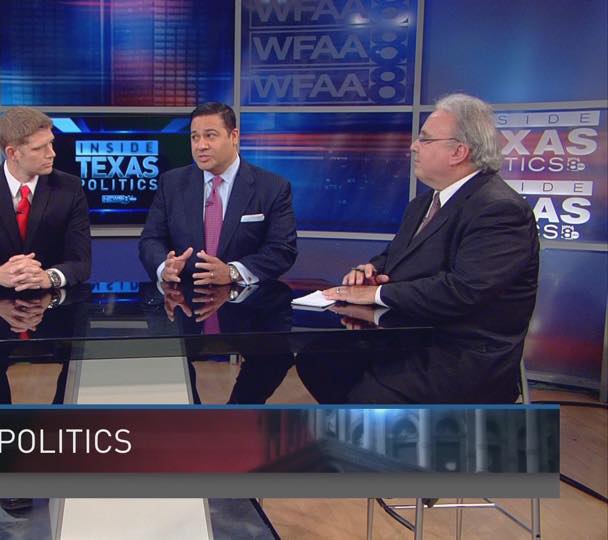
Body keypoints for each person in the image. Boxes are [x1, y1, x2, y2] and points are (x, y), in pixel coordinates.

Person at [321, 93, 540, 401]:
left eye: (424, 140)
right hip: (411, 336)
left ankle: (378, 439)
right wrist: (372, 270)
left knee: (370, 395)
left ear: (458, 152)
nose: (413, 147)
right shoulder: (423, 203)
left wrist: (377, 294)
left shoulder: (499, 209)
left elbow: (465, 289)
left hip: (463, 353)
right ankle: (368, 439)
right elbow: (396, 256)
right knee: (319, 359)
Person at [138, 102, 298, 287]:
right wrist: (164, 268)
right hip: (186, 303)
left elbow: (282, 250)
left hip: (248, 306)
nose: (201, 145)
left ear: (234, 136)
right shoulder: (171, 183)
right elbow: (151, 240)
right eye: (195, 137)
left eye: (210, 136)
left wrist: (233, 272)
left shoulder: (272, 187)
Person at [0, 106, 91, 291]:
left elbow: (81, 263)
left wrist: (48, 277)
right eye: (39, 148)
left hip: (55, 307)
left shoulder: (70, 188)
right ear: (12, 153)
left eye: (51, 143)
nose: (51, 153)